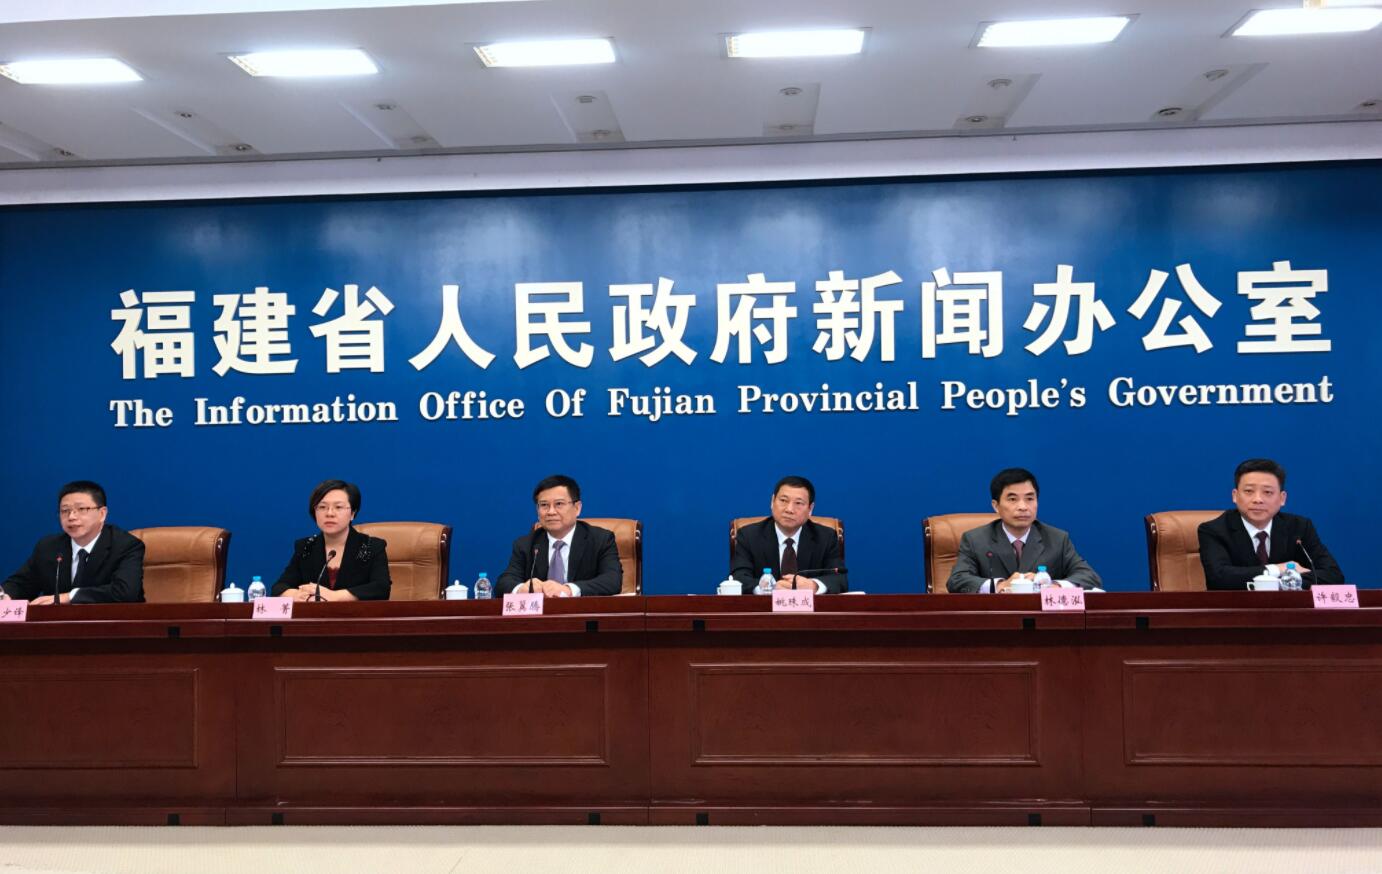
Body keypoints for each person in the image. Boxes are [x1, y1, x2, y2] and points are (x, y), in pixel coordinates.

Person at [1198, 458, 1344, 590]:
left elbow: (1333, 575)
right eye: (1249, 491)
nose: (1258, 499)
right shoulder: (1213, 530)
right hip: (1235, 609)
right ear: (1235, 496)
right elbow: (1219, 578)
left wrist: (1283, 582)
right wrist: (1278, 569)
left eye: (1267, 492)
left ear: (1282, 498)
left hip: (1287, 609)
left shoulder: (1299, 527)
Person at [948, 467, 1101, 593]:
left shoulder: (1057, 539)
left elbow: (1089, 576)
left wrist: (1052, 586)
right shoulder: (975, 540)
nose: (1023, 507)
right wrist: (1001, 585)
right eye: (1012, 499)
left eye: (1029, 498)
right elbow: (957, 581)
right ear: (996, 506)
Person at [1, 480, 144, 604]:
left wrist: (69, 597)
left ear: (102, 514)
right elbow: (21, 584)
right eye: (65, 511)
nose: (71, 517)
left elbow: (125, 592)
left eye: (81, 509)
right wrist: (5, 595)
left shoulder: (125, 546)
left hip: (113, 624)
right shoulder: (48, 547)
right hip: (58, 625)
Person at [496, 475, 623, 597]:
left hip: (584, 610)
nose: (551, 512)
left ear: (577, 508)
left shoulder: (601, 539)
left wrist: (568, 589)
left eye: (559, 504)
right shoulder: (525, 544)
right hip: (541, 611)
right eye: (544, 505)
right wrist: (521, 589)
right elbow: (503, 583)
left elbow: (612, 581)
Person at [272, 479, 391, 601]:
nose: (329, 513)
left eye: (338, 507)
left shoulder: (372, 547)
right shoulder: (306, 548)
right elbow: (279, 587)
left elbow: (381, 588)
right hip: (316, 613)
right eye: (322, 507)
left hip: (357, 613)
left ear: (352, 513)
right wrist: (296, 595)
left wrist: (334, 596)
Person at [731, 475, 847, 594]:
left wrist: (814, 585)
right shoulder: (749, 536)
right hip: (764, 605)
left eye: (798, 503)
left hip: (810, 605)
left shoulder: (826, 537)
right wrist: (766, 589)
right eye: (783, 500)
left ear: (810, 509)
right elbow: (739, 578)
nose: (789, 509)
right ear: (772, 501)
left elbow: (839, 579)